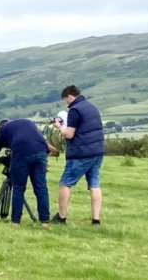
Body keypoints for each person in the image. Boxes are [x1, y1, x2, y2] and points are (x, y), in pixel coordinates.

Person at [51, 85, 105, 226]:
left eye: (66, 100)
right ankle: (96, 220)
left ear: (70, 96)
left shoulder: (75, 110)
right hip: (98, 151)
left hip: (81, 153)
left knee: (65, 183)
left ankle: (61, 217)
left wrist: (59, 127)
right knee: (94, 184)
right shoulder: (92, 107)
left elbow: (69, 134)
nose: (67, 103)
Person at [0, 118, 52, 227]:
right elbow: (38, 140)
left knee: (18, 189)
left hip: (21, 155)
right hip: (41, 153)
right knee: (41, 189)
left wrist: (6, 143)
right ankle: (45, 222)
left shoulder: (2, 128)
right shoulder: (27, 122)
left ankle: (15, 222)